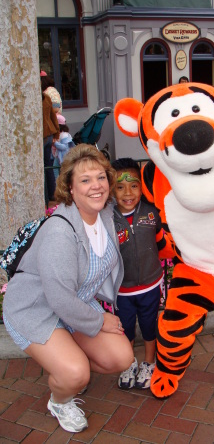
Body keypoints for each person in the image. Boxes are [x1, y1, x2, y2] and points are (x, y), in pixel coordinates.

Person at [3, 144, 134, 433]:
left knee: (121, 358)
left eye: (101, 177)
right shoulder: (61, 232)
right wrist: (100, 320)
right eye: (85, 180)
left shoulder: (105, 213)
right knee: (76, 373)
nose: (96, 186)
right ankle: (60, 399)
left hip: (76, 302)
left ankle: (68, 362)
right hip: (36, 308)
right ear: (70, 188)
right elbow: (59, 298)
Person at [111, 158, 173, 390]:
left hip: (150, 286)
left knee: (149, 325)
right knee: (125, 328)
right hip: (122, 290)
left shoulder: (152, 212)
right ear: (110, 189)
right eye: (120, 186)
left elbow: (162, 241)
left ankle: (149, 362)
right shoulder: (107, 219)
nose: (128, 192)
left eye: (134, 185)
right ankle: (129, 363)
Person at [42, 77, 60, 201]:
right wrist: (56, 134)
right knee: (47, 166)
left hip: (43, 135)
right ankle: (51, 194)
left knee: (43, 167)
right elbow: (53, 117)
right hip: (49, 134)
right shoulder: (46, 98)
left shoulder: (42, 98)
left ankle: (46, 197)